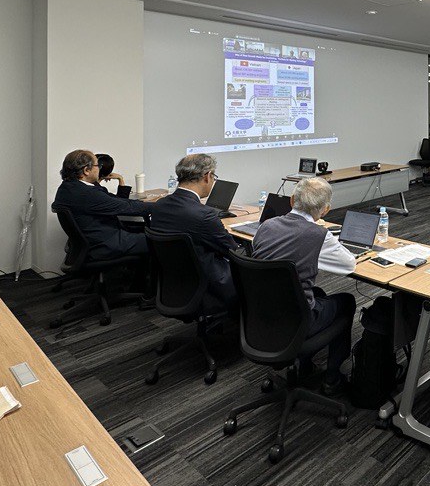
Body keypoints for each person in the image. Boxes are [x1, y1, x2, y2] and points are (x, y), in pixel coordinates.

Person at [251, 177, 356, 394]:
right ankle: (332, 378)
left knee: (318, 293)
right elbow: (349, 264)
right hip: (298, 322)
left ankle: (305, 365)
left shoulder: (265, 226)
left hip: (260, 315)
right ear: (325, 210)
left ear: (292, 200)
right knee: (346, 301)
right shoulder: (319, 235)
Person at [147, 154, 241, 309]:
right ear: (207, 176)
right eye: (214, 177)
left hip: (176, 284)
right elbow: (232, 250)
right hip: (210, 285)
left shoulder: (160, 205)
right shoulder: (204, 215)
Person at [51, 149, 148, 261]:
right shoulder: (87, 193)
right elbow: (125, 207)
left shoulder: (66, 188)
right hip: (104, 245)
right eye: (97, 166)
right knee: (155, 239)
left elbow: (117, 201)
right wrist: (158, 206)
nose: (99, 169)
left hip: (90, 243)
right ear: (86, 170)